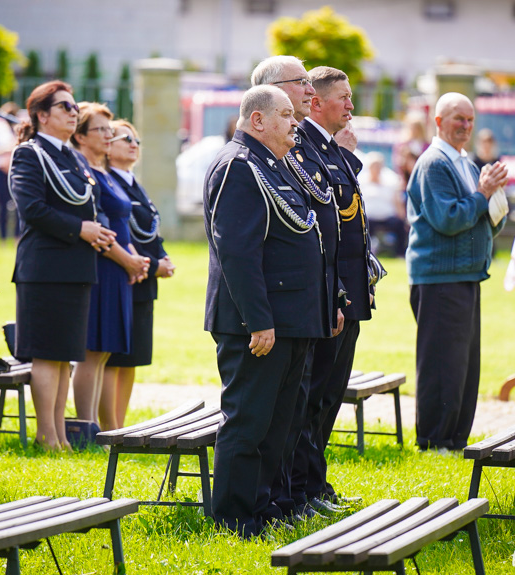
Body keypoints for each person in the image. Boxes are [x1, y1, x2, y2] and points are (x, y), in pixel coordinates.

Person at [205, 85, 327, 537]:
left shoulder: (270, 164)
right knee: (249, 422)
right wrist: (259, 320)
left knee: (279, 424)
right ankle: (234, 519)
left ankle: (262, 508)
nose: (296, 123)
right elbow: (236, 252)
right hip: (258, 323)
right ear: (258, 120)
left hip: (289, 319)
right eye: (287, 115)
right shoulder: (239, 165)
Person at [250, 55, 343, 521]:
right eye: (300, 83)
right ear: (271, 91)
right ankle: (285, 498)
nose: (310, 90)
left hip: (315, 299)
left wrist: (336, 294)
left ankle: (298, 493)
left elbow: (330, 220)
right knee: (287, 411)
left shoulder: (299, 146)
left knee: (307, 403)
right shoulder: (269, 152)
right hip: (284, 306)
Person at [9, 81, 114, 450]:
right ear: (42, 115)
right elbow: (32, 210)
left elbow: (86, 203)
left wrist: (93, 230)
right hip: (45, 267)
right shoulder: (29, 154)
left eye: (73, 107)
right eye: (65, 107)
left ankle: (59, 435)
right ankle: (46, 435)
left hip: (76, 266)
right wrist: (80, 229)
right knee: (46, 352)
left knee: (65, 355)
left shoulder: (72, 157)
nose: (74, 113)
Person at [406, 92, 508, 451]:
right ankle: (435, 439)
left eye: (470, 119)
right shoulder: (434, 163)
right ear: (438, 122)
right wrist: (482, 195)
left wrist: (494, 200)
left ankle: (454, 437)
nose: (466, 126)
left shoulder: (465, 162)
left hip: (464, 275)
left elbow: (479, 219)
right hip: (439, 277)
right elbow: (448, 220)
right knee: (441, 365)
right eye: (457, 119)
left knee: (462, 365)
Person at [298, 65, 375, 509]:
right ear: (317, 102)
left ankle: (316, 481)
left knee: (329, 395)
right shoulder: (306, 144)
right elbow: (325, 217)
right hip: (333, 292)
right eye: (342, 97)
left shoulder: (331, 145)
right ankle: (305, 487)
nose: (350, 104)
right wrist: (340, 294)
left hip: (350, 289)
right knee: (314, 395)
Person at [71, 103, 149, 436]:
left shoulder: (103, 173)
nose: (108, 135)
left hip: (119, 267)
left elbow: (121, 223)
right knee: (92, 352)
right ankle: (88, 429)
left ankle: (105, 430)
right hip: (104, 266)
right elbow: (100, 225)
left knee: (104, 354)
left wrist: (134, 257)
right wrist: (128, 259)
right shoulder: (86, 172)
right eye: (102, 130)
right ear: (81, 135)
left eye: (109, 130)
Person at [103, 120, 175, 429]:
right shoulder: (107, 182)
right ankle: (107, 428)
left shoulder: (133, 183)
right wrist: (153, 263)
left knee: (132, 358)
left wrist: (162, 257)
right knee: (113, 359)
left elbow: (149, 229)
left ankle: (121, 426)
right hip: (124, 276)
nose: (134, 144)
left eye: (137, 140)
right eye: (125, 139)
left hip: (145, 280)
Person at [361, 152, 407, 256]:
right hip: (369, 218)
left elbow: (397, 201)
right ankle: (365, 253)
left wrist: (402, 217)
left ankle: (400, 253)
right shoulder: (361, 181)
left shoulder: (391, 180)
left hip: (387, 218)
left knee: (400, 224)